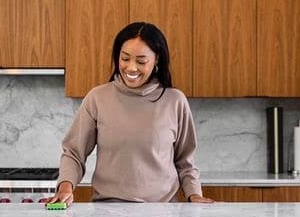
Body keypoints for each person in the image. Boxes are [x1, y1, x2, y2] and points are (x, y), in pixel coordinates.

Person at [49, 22, 214, 204]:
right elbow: (74, 152)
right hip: (108, 214)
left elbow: (185, 162)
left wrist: (194, 195)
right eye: (125, 58)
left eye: (141, 61)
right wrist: (65, 185)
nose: (131, 68)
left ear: (157, 59)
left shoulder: (175, 101)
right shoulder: (97, 98)